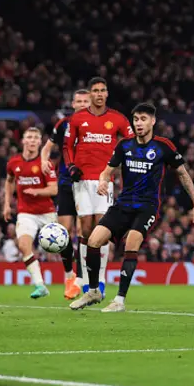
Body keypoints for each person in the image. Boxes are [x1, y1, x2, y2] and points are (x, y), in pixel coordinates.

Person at [69, 103, 194, 312]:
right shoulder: (124, 146)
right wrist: (103, 180)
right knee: (94, 241)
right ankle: (94, 291)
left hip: (147, 207)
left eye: (143, 119)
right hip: (123, 204)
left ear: (153, 121)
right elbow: (107, 171)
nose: (139, 123)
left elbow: (183, 174)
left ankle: (119, 300)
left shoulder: (164, 146)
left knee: (131, 243)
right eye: (136, 120)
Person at [63, 77, 133, 299]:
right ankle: (84, 279)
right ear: (90, 94)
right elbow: (67, 146)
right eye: (95, 90)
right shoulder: (77, 119)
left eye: (103, 90)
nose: (99, 94)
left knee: (102, 229)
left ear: (107, 94)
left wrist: (122, 163)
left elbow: (132, 141)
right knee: (85, 229)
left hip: (105, 180)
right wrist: (71, 166)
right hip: (83, 180)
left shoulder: (117, 119)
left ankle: (100, 281)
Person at [41, 89, 91, 300]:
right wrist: (44, 159)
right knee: (63, 231)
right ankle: (69, 275)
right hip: (65, 184)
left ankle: (82, 277)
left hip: (87, 183)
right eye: (78, 101)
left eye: (84, 101)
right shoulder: (63, 125)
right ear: (72, 103)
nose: (80, 104)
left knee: (84, 230)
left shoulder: (96, 125)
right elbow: (47, 147)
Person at [4, 128, 58, 298]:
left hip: (47, 212)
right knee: (23, 246)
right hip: (26, 213)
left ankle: (73, 278)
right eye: (29, 137)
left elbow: (54, 189)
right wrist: (7, 204)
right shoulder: (13, 163)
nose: (33, 140)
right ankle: (40, 285)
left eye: (36, 138)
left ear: (40, 142)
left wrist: (36, 191)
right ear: (23, 141)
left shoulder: (45, 163)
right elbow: (9, 181)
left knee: (62, 249)